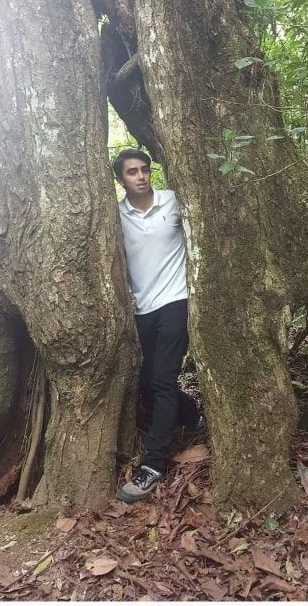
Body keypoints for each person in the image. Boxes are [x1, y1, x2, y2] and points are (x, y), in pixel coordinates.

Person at [112, 148, 205, 503]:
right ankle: (191, 416)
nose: (140, 176)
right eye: (132, 172)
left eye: (144, 170)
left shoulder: (173, 201)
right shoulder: (116, 216)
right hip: (143, 308)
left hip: (176, 301)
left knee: (163, 381)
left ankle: (152, 465)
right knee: (148, 385)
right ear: (121, 179)